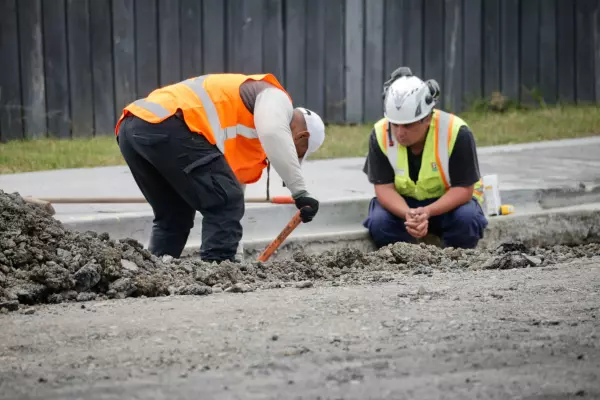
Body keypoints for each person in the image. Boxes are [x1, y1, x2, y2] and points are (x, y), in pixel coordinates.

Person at [114, 73, 325, 263]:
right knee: (224, 201)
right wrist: (300, 191)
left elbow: (232, 191)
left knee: (174, 214)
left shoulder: (245, 129)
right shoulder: (275, 97)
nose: (290, 154)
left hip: (133, 127)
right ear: (301, 136)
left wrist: (236, 253)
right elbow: (273, 134)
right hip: (168, 123)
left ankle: (154, 276)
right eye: (296, 151)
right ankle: (216, 275)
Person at [362, 67, 488, 249]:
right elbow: (383, 188)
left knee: (467, 220)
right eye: (395, 124)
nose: (400, 133)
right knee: (379, 223)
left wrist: (428, 212)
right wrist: (409, 215)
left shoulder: (456, 132)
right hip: (405, 206)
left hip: (448, 205)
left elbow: (464, 189)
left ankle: (455, 259)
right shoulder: (380, 133)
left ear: (427, 118)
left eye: (407, 125)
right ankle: (406, 256)